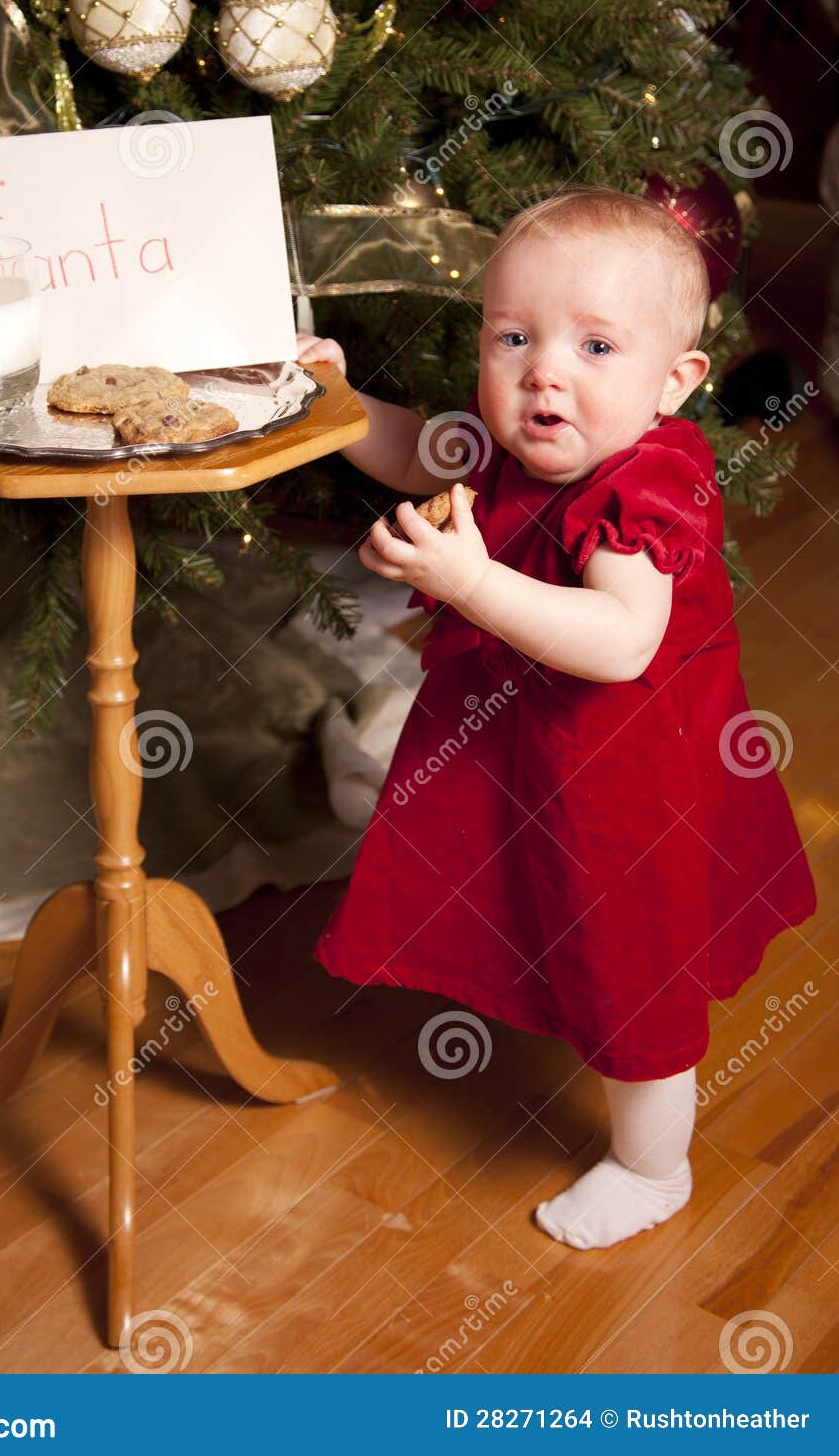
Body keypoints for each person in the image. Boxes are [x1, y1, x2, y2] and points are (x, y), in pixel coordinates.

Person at [297, 186, 817, 1251]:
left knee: (631, 963)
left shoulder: (642, 487)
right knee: (539, 907)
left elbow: (620, 639)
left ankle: (649, 1163)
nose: (544, 370)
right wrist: (335, 403)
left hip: (625, 783)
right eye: (513, 336)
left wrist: (467, 580)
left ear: (672, 383)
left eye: (593, 345)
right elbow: (414, 452)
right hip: (531, 754)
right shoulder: (526, 441)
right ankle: (567, 1025)